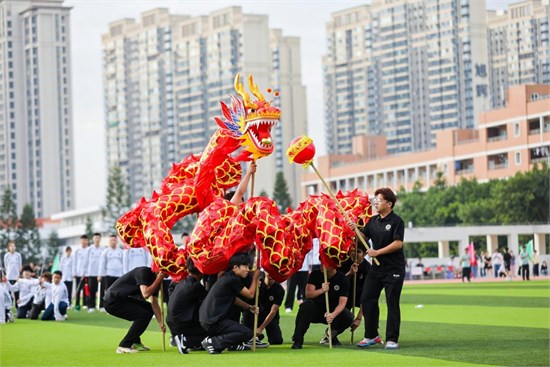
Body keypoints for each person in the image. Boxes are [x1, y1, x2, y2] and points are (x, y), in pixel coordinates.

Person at [349, 187, 405, 350]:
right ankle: (371, 335)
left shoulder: (396, 221)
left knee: (392, 303)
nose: (375, 203)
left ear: (389, 203)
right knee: (367, 299)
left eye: (378, 200)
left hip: (394, 269)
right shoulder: (373, 221)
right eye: (375, 200)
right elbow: (363, 238)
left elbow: (398, 243)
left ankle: (392, 339)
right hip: (376, 270)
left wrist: (377, 252)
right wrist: (355, 231)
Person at [199, 253, 261, 354]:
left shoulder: (227, 277)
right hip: (213, 321)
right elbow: (250, 294)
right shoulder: (232, 279)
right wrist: (255, 278)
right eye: (245, 266)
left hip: (207, 319)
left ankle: (217, 344)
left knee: (239, 329)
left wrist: (249, 307)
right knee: (247, 333)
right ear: (235, 267)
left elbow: (233, 299)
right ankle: (212, 342)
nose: (247, 270)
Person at [104, 266, 166, 354]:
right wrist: (158, 280)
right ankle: (124, 345)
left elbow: (154, 303)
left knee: (148, 308)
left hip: (124, 299)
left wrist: (161, 322)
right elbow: (146, 294)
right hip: (113, 301)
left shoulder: (157, 279)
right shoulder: (144, 272)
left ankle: (136, 342)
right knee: (143, 314)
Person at [290, 262, 352, 349]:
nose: (321, 264)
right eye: (321, 261)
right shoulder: (315, 274)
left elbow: (342, 303)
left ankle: (331, 335)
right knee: (306, 305)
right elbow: (308, 294)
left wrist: (332, 315)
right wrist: (322, 290)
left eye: (325, 262)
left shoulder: (342, 279)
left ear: (333, 265)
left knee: (348, 316)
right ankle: (298, 339)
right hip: (315, 309)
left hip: (331, 311)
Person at [166, 258, 208, 354]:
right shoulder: (196, 286)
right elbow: (209, 300)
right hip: (181, 323)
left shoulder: (181, 282)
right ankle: (185, 340)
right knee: (211, 332)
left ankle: (184, 340)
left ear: (188, 270)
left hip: (172, 320)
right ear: (201, 272)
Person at [242, 271, 285, 346]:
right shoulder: (257, 284)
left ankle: (258, 334)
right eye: (268, 272)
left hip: (269, 316)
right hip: (254, 314)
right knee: (246, 337)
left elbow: (273, 311)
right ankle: (256, 336)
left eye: (273, 273)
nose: (270, 275)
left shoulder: (279, 290)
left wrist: (261, 328)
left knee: (276, 340)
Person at [342, 242, 371, 333]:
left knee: (372, 307)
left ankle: (372, 334)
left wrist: (358, 318)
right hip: (344, 296)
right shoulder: (343, 263)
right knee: (344, 317)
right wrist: (349, 274)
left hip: (360, 297)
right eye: (352, 250)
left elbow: (368, 295)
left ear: (365, 254)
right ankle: (331, 334)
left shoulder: (368, 269)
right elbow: (338, 284)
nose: (354, 254)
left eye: (358, 251)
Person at [98, 234, 124, 312]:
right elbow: (102, 264)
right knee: (108, 292)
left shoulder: (121, 252)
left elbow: (123, 264)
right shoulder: (105, 252)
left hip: (119, 274)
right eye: (111, 240)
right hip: (108, 274)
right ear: (109, 241)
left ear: (117, 241)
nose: (113, 242)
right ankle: (106, 306)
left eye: (114, 240)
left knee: (118, 292)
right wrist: (100, 275)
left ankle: (118, 306)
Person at [86, 233, 104, 312]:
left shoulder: (103, 249)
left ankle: (101, 306)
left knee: (101, 290)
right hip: (91, 273)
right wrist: (85, 272)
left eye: (98, 238)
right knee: (92, 290)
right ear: (93, 239)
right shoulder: (89, 249)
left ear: (100, 239)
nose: (97, 239)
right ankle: (91, 306)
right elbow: (85, 261)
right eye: (95, 238)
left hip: (100, 273)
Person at [72, 235, 89, 310]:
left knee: (86, 289)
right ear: (81, 241)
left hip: (87, 273)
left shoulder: (89, 250)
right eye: (83, 240)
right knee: (78, 289)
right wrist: (74, 272)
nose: (84, 242)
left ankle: (85, 304)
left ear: (87, 241)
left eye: (85, 240)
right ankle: (77, 304)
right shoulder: (77, 251)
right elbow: (74, 262)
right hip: (78, 273)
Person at [4, 241, 23, 306]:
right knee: (8, 292)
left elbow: (20, 265)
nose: (12, 247)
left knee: (16, 292)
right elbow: (6, 266)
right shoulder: (6, 255)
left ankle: (17, 306)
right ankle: (8, 305)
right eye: (11, 246)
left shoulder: (18, 255)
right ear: (9, 248)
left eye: (14, 246)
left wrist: (19, 275)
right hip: (8, 276)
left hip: (16, 277)